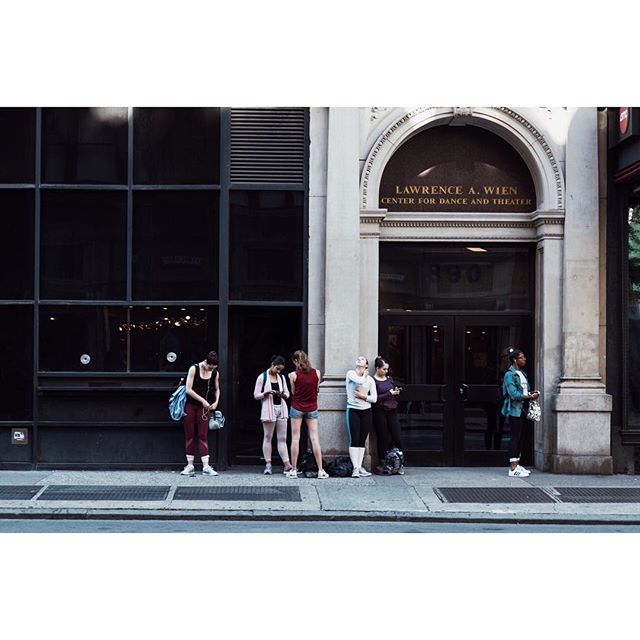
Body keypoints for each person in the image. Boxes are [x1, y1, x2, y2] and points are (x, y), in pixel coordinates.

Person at [287, 350, 329, 479]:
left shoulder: (292, 375)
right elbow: (317, 390)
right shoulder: (317, 373)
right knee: (315, 439)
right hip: (312, 408)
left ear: (295, 361)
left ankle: (293, 470)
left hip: (297, 407)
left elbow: (293, 392)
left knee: (295, 438)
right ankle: (321, 470)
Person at [180, 350, 220, 476]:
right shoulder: (194, 369)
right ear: (206, 362)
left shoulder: (214, 373)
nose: (211, 369)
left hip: (205, 407)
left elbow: (217, 389)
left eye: (213, 368)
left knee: (203, 435)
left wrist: (217, 402)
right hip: (191, 405)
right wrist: (203, 400)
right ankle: (190, 465)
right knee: (189, 435)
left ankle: (206, 466)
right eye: (209, 367)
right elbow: (188, 389)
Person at [501, 347, 540, 477]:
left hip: (523, 409)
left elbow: (523, 391)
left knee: (520, 437)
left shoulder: (522, 373)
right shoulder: (509, 375)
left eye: (524, 357)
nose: (524, 359)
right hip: (515, 409)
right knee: (514, 437)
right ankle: (512, 468)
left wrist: (531, 393)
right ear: (514, 360)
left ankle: (517, 464)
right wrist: (529, 396)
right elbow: (513, 394)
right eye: (521, 357)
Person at [253, 355, 293, 475]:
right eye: (277, 368)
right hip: (268, 409)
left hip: (281, 408)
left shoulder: (281, 378)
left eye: (280, 369)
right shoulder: (262, 377)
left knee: (282, 438)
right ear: (272, 365)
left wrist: (282, 395)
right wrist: (266, 393)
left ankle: (287, 464)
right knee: (268, 437)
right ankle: (268, 464)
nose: (279, 371)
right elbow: (256, 395)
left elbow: (287, 393)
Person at [345, 356, 378, 478]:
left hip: (366, 411)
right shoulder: (351, 374)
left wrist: (365, 397)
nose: (359, 359)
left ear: (366, 365)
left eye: (363, 359)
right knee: (354, 439)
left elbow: (374, 398)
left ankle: (359, 467)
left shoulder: (370, 380)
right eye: (358, 359)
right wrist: (364, 376)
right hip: (353, 410)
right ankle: (355, 468)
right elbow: (358, 381)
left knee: (362, 440)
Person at [372, 356, 405, 474]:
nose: (386, 371)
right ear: (377, 368)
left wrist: (396, 392)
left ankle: (401, 462)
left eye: (387, 369)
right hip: (380, 411)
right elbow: (375, 399)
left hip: (392, 410)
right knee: (382, 437)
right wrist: (389, 393)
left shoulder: (390, 379)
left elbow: (393, 392)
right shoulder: (373, 381)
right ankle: (383, 462)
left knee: (397, 436)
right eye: (384, 369)